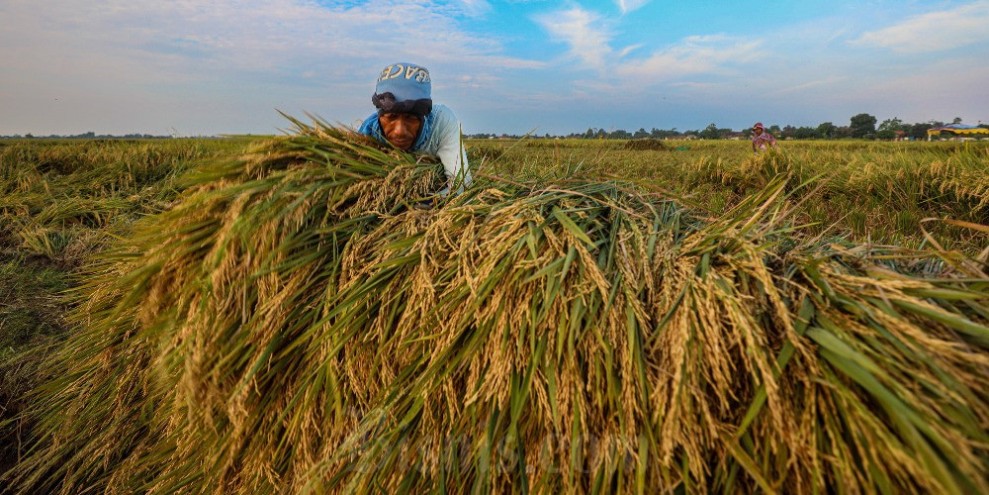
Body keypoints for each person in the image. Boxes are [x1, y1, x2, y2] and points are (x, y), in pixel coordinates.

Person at [357, 62, 472, 195]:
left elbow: (462, 184)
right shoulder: (368, 134)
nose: (399, 131)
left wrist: (420, 205)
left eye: (410, 118)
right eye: (391, 117)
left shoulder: (441, 122)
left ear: (424, 116)